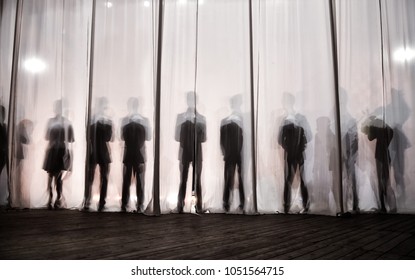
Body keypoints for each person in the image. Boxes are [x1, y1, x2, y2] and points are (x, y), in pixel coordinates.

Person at [175, 92, 206, 214]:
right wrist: (184, 123)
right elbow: (176, 136)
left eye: (193, 100)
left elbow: (203, 138)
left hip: (197, 153)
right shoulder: (180, 117)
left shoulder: (201, 118)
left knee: (197, 180)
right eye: (189, 100)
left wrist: (197, 125)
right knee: (183, 179)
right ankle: (180, 205)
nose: (191, 102)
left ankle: (198, 206)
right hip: (184, 152)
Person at [120, 98, 151, 213]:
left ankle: (138, 204)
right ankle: (127, 204)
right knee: (129, 180)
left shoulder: (143, 120)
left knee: (138, 181)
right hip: (132, 154)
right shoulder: (126, 120)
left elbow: (148, 136)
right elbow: (122, 137)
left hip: (136, 154)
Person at [43, 100, 74, 210]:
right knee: (57, 177)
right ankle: (55, 199)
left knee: (52, 176)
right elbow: (71, 139)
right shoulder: (66, 122)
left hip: (56, 150)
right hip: (59, 150)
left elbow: (47, 136)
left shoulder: (52, 122)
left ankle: (52, 199)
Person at [84, 97, 113, 212]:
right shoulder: (97, 120)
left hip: (98, 151)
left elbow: (108, 138)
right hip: (98, 151)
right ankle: (92, 201)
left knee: (101, 178)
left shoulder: (102, 120)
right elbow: (107, 138)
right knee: (95, 177)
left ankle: (98, 202)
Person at [361, 116, 396, 213]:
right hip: (385, 153)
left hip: (380, 155)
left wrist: (369, 125)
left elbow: (370, 137)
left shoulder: (375, 126)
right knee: (385, 179)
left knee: (381, 180)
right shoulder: (385, 127)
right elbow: (391, 131)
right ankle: (388, 205)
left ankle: (383, 206)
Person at [278, 117, 309, 214]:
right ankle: (290, 205)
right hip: (294, 156)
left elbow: (305, 141)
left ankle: (292, 205)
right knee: (291, 180)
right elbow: (280, 141)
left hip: (295, 156)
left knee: (292, 180)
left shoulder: (296, 128)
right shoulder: (290, 128)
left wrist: (288, 148)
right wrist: (288, 148)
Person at [220, 95, 244, 213]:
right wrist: (225, 153)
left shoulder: (242, 119)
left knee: (240, 178)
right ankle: (227, 203)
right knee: (229, 178)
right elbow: (222, 141)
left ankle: (241, 203)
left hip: (239, 154)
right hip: (231, 154)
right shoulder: (225, 121)